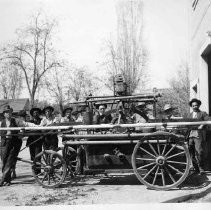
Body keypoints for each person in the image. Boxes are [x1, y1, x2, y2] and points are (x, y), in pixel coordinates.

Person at [0, 105, 37, 186]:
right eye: (6, 112)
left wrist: (38, 126)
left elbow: (26, 124)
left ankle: (3, 180)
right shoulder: (1, 122)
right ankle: (7, 179)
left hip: (13, 144)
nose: (8, 114)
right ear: (4, 114)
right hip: (4, 144)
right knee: (4, 161)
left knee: (9, 161)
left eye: (9, 112)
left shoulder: (16, 121)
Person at [188, 98, 210, 175]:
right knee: (191, 152)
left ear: (199, 105)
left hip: (198, 135)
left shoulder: (203, 113)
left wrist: (202, 124)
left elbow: (208, 119)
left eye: (196, 105)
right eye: (193, 105)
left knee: (199, 151)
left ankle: (201, 168)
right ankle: (196, 169)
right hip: (190, 135)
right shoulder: (189, 115)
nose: (194, 107)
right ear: (191, 106)